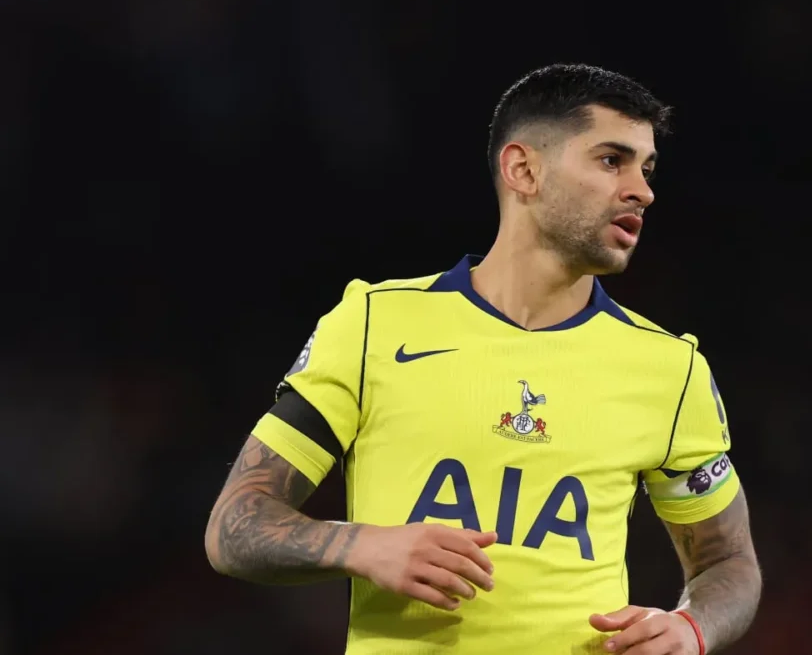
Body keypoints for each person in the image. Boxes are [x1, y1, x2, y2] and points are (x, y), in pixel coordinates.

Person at [204, 63, 761, 654]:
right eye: (610, 160)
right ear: (523, 169)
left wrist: (691, 628)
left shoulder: (669, 369)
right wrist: (361, 545)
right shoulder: (373, 325)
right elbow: (235, 526)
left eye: (646, 169)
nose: (642, 191)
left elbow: (728, 561)